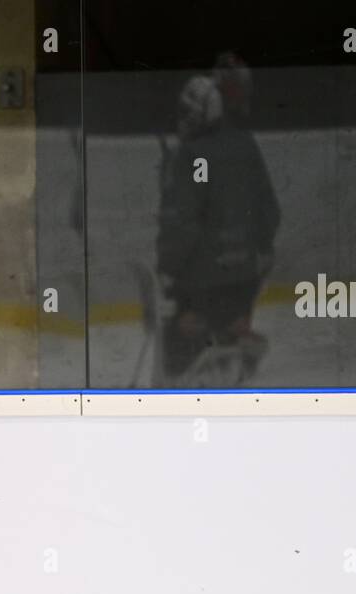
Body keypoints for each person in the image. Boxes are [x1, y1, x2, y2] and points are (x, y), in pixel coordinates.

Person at [155, 67, 279, 385]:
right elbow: (270, 211)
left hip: (202, 282)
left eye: (187, 111)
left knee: (179, 337)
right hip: (246, 278)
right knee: (231, 327)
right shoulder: (246, 145)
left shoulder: (194, 156)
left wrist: (168, 266)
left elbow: (183, 223)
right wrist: (259, 253)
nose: (182, 118)